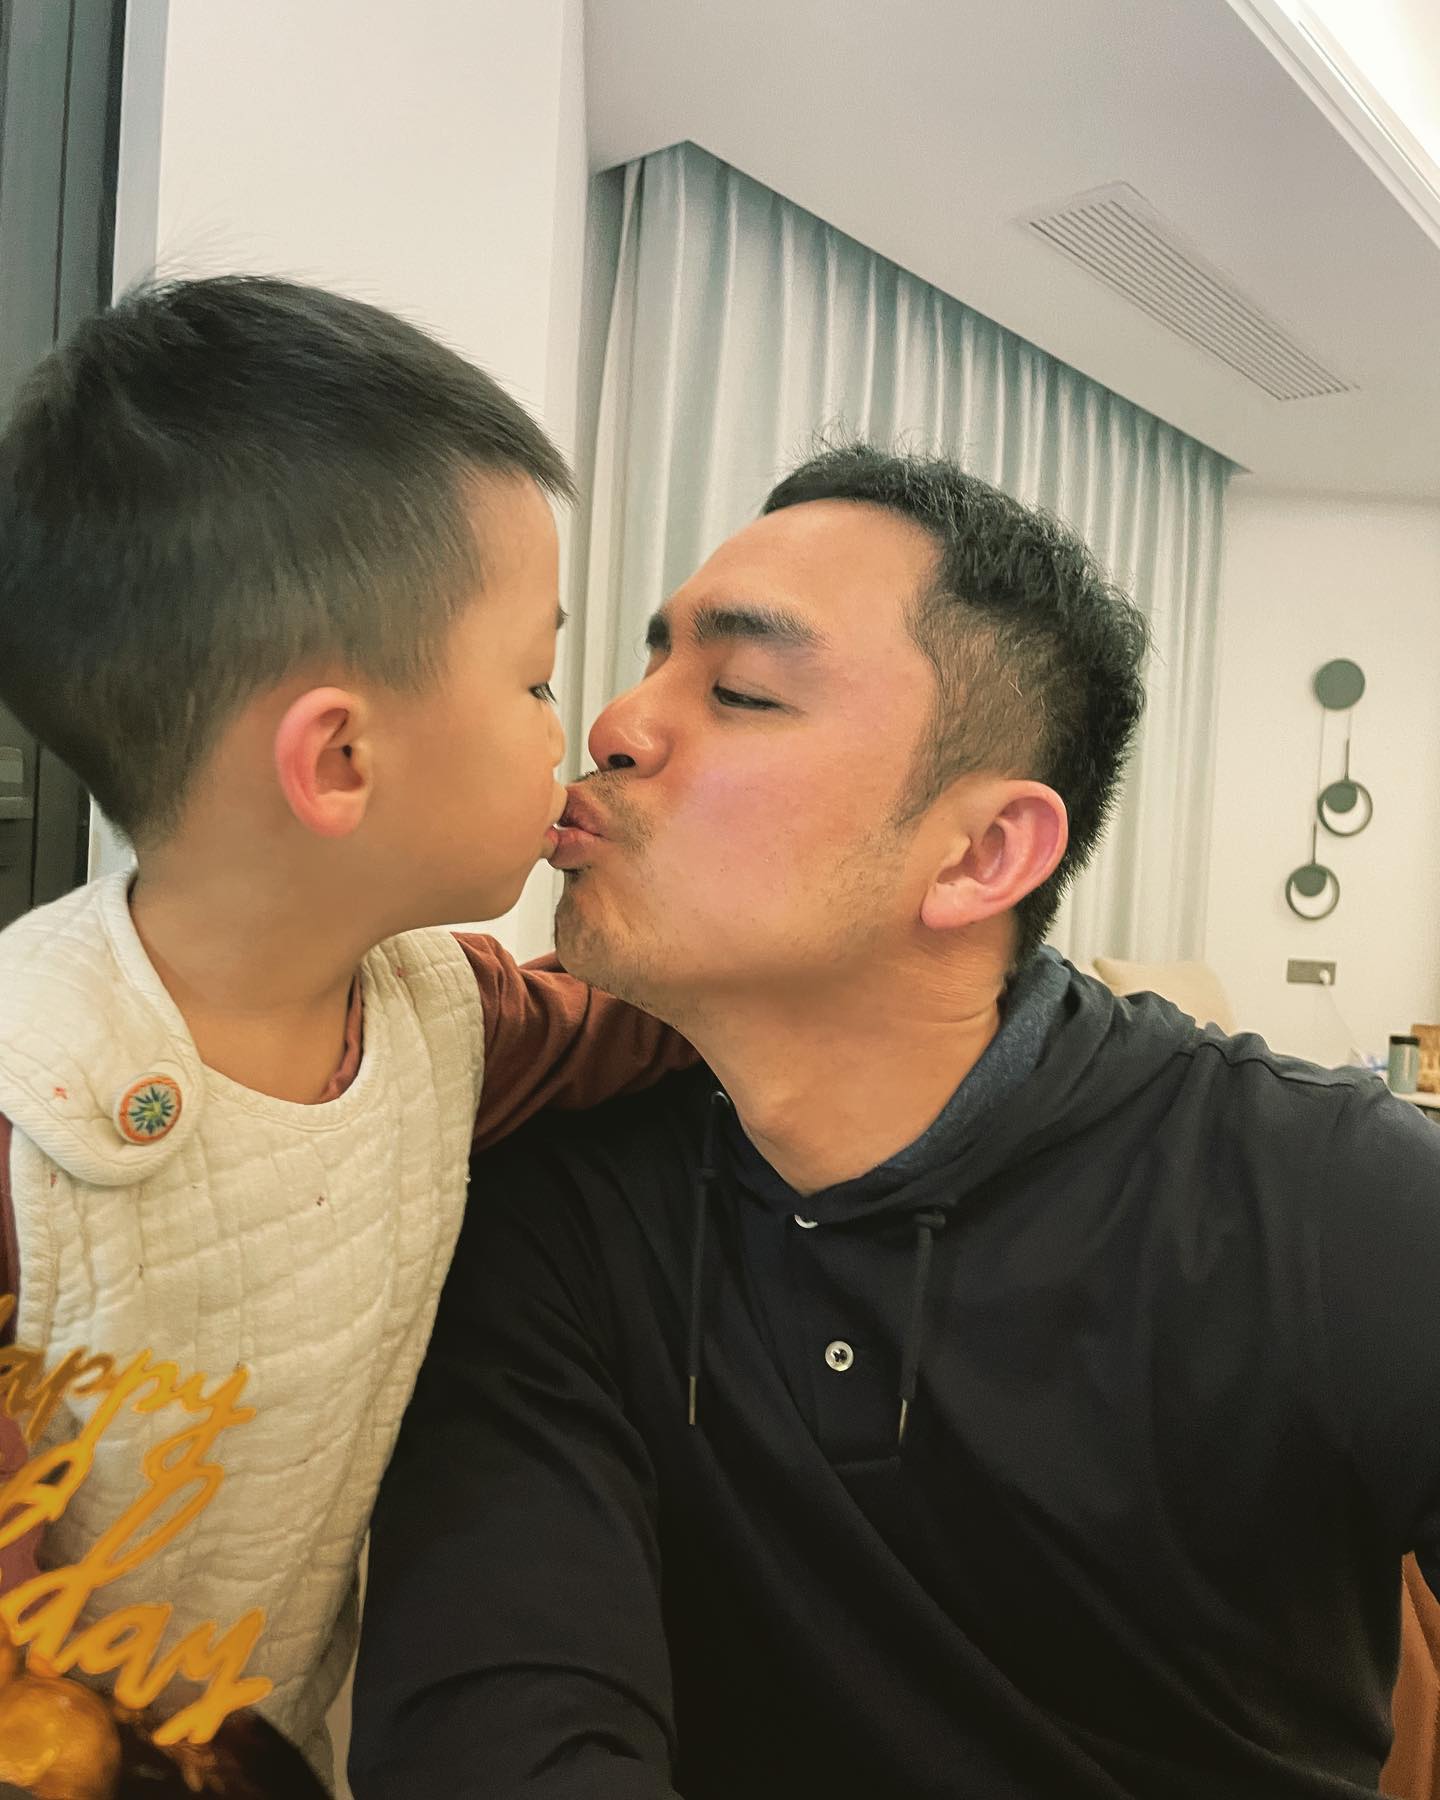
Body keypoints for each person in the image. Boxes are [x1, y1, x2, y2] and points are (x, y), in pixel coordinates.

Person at [351, 444, 1440, 1799]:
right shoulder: (555, 1209)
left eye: (741, 691)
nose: (617, 723)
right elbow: (495, 1741)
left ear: (983, 854)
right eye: (652, 662)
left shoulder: (1326, 1199)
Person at [0, 277, 692, 1784]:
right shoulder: (28, 1107)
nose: (573, 727)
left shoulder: (450, 1010)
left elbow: (657, 1029)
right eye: (534, 677)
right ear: (339, 761)